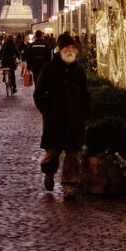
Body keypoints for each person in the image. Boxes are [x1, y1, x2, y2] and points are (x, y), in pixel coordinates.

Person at [34, 32, 89, 195]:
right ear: (60, 50)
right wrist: (46, 111)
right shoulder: (49, 68)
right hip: (54, 119)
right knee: (53, 152)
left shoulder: (79, 70)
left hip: (74, 119)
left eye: (72, 47)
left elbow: (85, 93)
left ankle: (69, 185)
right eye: (67, 48)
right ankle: (49, 174)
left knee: (72, 153)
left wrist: (84, 112)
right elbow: (38, 94)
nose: (70, 50)